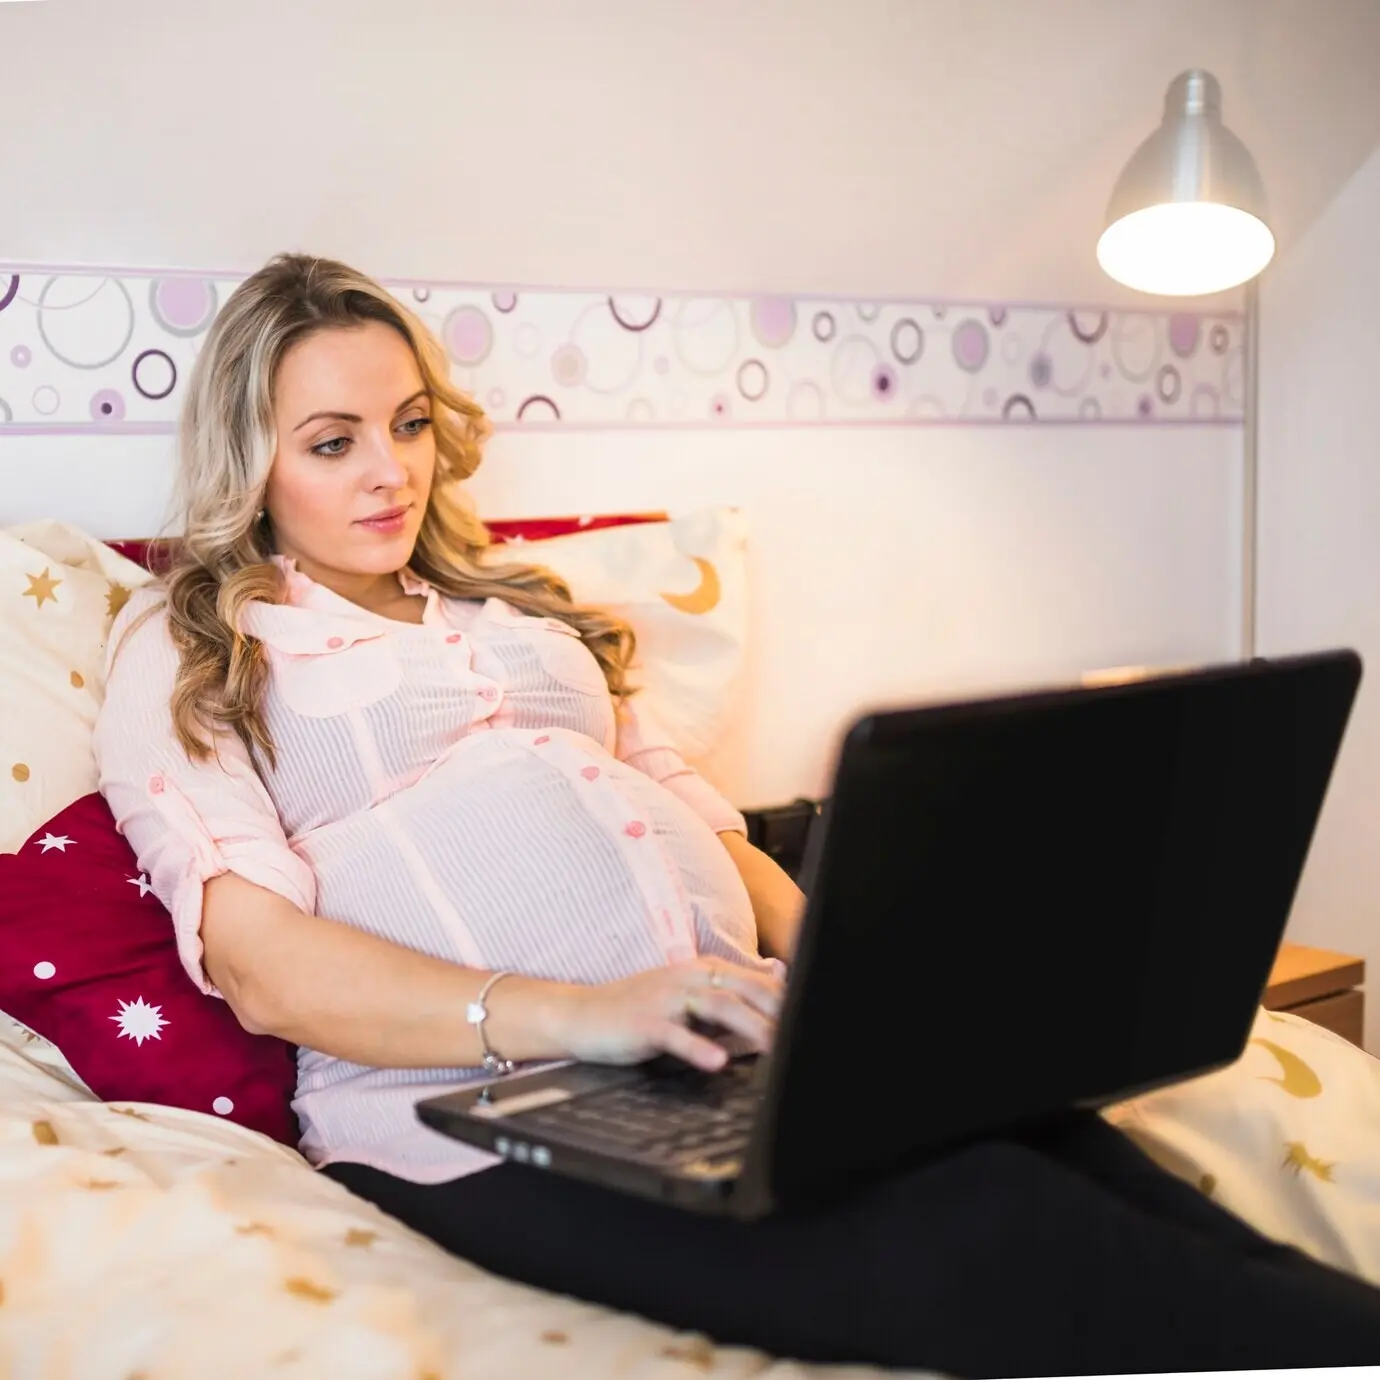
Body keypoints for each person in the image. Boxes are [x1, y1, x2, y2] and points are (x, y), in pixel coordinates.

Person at [95, 253, 1380, 1377]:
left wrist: (849, 1002)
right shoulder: (197, 638)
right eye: (334, 442)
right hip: (482, 1111)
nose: (393, 473)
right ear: (250, 460)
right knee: (984, 1235)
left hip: (733, 1052)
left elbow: (708, 831)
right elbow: (260, 969)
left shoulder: (524, 611)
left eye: (412, 423)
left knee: (1088, 1165)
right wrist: (589, 1016)